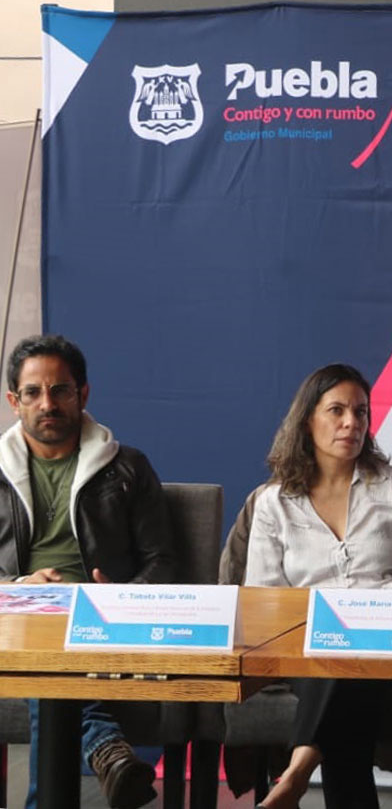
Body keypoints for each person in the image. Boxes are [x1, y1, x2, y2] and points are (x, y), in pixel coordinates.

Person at [245, 363, 392, 809]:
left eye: (361, 412)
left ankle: (296, 771)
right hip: (304, 649)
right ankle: (299, 772)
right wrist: (329, 624)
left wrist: (355, 614)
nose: (352, 422)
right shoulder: (274, 502)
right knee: (339, 676)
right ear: (307, 420)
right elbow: (263, 599)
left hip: (387, 641)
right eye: (337, 410)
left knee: (346, 665)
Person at [0, 334, 173, 809]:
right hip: (16, 621)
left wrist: (120, 598)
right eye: (33, 392)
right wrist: (18, 587)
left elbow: (164, 563)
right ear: (15, 402)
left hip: (101, 621)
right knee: (47, 653)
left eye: (61, 390)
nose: (47, 403)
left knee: (53, 666)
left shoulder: (129, 468)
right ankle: (105, 747)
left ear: (83, 395)